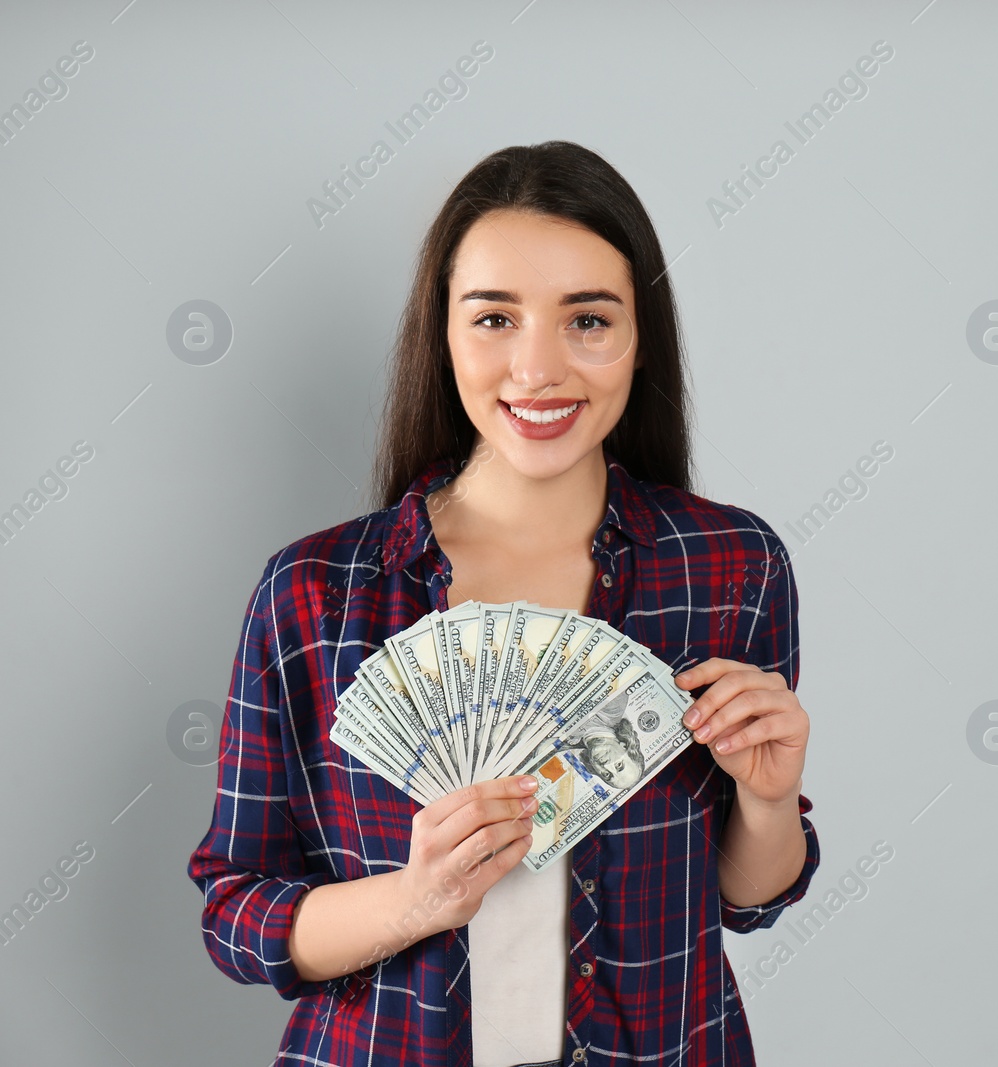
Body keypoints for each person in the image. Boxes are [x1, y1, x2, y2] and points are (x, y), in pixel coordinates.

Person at [187, 141, 820, 1067]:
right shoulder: (316, 593)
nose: (539, 368)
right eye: (494, 318)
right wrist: (419, 898)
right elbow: (235, 912)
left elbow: (744, 898)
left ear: (641, 338)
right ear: (441, 335)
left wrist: (767, 804)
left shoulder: (730, 564)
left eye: (588, 320)